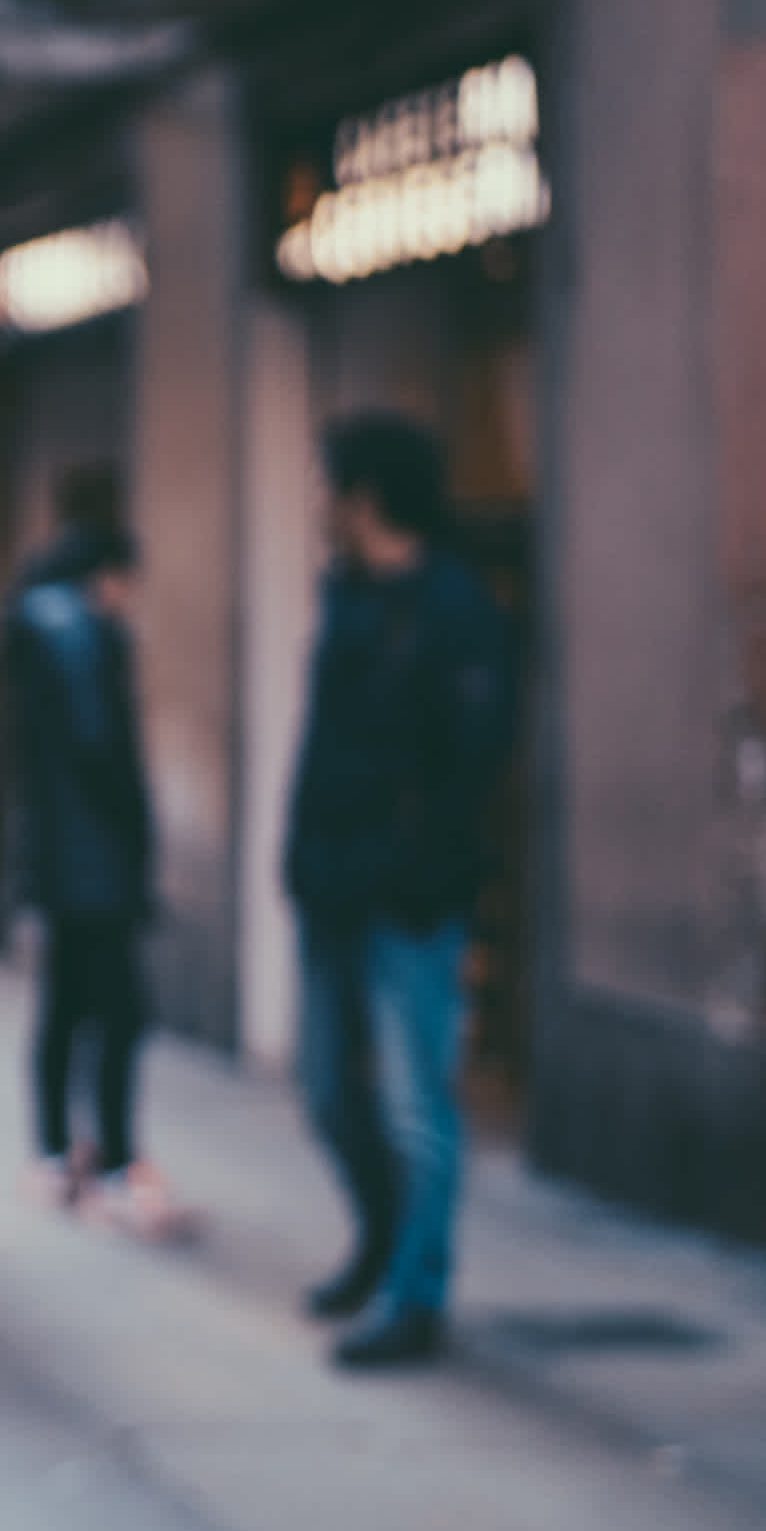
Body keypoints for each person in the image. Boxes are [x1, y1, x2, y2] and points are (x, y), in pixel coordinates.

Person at [287, 413, 516, 1368]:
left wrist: (433, 884)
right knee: (327, 1089)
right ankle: (382, 1242)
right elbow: (323, 748)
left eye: (330, 485)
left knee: (420, 1105)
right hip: (331, 888)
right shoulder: (347, 599)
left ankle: (416, 1293)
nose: (320, 504)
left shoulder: (456, 610)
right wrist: (298, 856)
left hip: (412, 900)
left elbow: (475, 767)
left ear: (366, 496)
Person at [0, 517, 187, 1238]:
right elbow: (103, 750)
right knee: (122, 1013)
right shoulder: (83, 637)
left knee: (66, 1007)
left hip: (58, 859)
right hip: (97, 862)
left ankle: (54, 1153)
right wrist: (137, 838)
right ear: (105, 574)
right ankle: (112, 1162)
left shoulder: (36, 631)